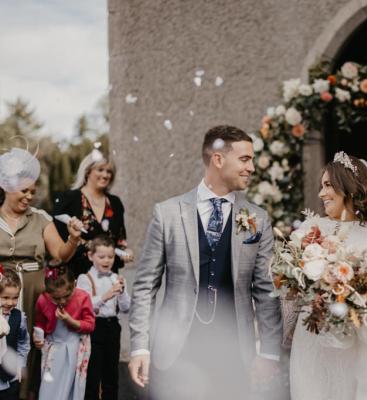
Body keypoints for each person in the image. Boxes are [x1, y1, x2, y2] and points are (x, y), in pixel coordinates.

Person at [128, 125, 282, 399]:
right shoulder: (167, 214)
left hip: (234, 352)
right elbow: (144, 287)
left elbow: (266, 291)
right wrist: (140, 347)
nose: (252, 168)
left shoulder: (257, 219)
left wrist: (269, 351)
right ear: (218, 159)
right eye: (244, 159)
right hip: (176, 352)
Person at [289, 152, 367, 400]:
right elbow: (292, 288)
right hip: (313, 342)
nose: (321, 194)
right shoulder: (309, 229)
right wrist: (288, 329)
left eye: (328, 186)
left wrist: (358, 288)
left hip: (360, 345)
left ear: (347, 187)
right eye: (321, 186)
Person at [0, 147, 83, 399]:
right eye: (24, 191)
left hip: (35, 295)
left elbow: (60, 254)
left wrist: (73, 239)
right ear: (5, 185)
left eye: (33, 192)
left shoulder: (41, 218)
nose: (29, 197)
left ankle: (27, 394)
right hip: (2, 294)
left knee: (33, 350)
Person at [53, 151, 132, 277]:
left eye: (109, 171)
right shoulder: (68, 199)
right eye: (100, 170)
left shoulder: (115, 203)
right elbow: (58, 243)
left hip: (108, 278)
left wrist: (125, 252)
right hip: (75, 277)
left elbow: (120, 240)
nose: (105, 175)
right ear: (87, 171)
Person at [76, 236, 130, 400]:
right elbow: (82, 307)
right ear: (91, 256)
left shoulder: (116, 278)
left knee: (111, 375)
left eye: (111, 256)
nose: (107, 260)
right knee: (92, 375)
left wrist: (121, 293)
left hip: (112, 327)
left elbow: (127, 308)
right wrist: (106, 295)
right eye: (102, 257)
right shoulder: (84, 279)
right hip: (94, 328)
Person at [34, 265, 95, 400]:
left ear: (74, 284)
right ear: (48, 292)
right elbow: (40, 323)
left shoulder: (82, 297)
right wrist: (38, 336)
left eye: (66, 296)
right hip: (54, 350)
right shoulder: (43, 300)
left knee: (70, 387)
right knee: (48, 387)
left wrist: (71, 321)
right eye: (56, 298)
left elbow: (90, 325)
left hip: (74, 348)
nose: (62, 301)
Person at [0, 268, 30, 400]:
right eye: (5, 297)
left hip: (10, 379)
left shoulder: (19, 317)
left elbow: (23, 343)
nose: (10, 302)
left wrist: (20, 364)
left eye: (15, 298)